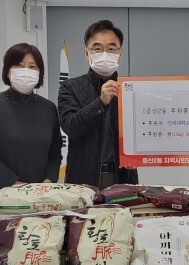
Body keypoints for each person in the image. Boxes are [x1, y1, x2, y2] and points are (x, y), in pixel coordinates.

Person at [0, 42, 63, 265]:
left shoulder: (48, 109)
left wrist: (48, 181)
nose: (26, 71)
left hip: (39, 198)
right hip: (1, 196)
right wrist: (13, 183)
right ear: (8, 70)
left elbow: (55, 152)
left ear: (40, 73)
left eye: (33, 66)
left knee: (36, 256)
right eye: (20, 65)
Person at [58, 20, 138, 189]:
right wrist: (100, 102)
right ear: (87, 54)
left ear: (120, 53)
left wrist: (139, 157)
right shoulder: (70, 87)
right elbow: (71, 127)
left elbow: (144, 131)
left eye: (111, 49)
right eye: (97, 48)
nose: (104, 54)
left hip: (123, 177)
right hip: (83, 179)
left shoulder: (131, 89)